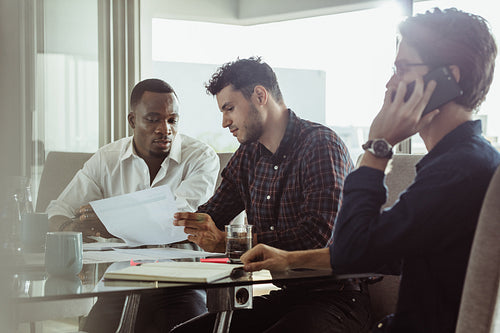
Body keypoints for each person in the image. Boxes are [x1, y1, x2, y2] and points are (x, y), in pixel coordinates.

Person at [239, 8, 500, 333]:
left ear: (448, 78)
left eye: (402, 69)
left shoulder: (457, 171)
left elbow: (353, 249)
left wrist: (378, 146)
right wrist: (291, 259)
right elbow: (386, 251)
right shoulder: (473, 159)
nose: (390, 82)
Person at [172, 57, 372, 332]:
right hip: (289, 297)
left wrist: (228, 244)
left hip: (336, 300)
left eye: (229, 108)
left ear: (259, 95)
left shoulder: (321, 145)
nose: (224, 122)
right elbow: (213, 215)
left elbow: (317, 236)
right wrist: (178, 223)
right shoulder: (248, 155)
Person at [47, 78, 220, 333]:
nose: (165, 129)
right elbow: (59, 209)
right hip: (120, 280)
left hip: (184, 281)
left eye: (172, 120)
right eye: (153, 119)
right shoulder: (107, 159)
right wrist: (72, 228)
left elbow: (175, 215)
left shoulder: (201, 158)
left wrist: (109, 222)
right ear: (132, 121)